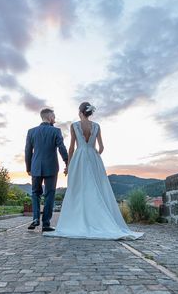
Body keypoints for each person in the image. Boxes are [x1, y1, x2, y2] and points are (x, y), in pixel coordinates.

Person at [44, 102, 143, 240]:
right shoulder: (97, 126)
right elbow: (102, 147)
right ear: (89, 112)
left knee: (79, 188)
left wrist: (69, 165)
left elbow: (71, 148)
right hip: (93, 157)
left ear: (80, 112)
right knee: (97, 187)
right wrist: (94, 153)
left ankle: (80, 219)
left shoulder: (74, 125)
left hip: (79, 158)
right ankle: (98, 218)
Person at [25, 108, 68, 232]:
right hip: (51, 167)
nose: (55, 119)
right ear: (50, 118)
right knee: (50, 194)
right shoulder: (56, 131)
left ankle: (35, 219)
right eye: (54, 117)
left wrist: (28, 167)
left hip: (36, 167)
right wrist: (67, 162)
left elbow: (28, 151)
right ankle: (46, 224)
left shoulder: (31, 132)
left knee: (35, 193)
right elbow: (62, 148)